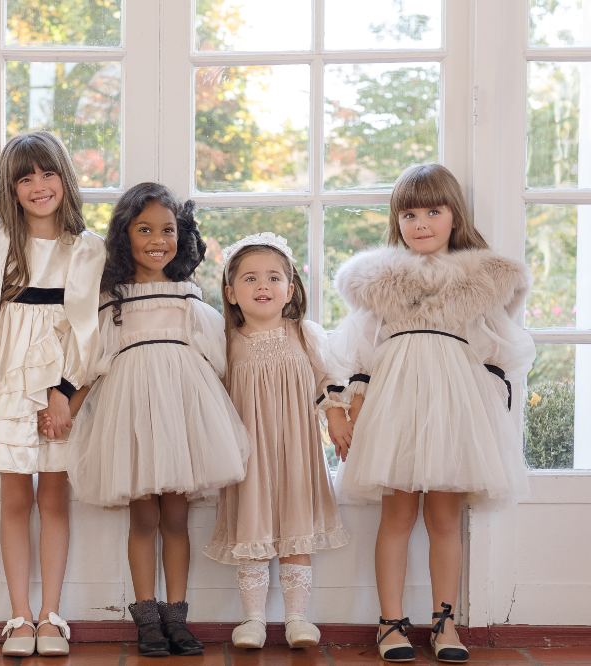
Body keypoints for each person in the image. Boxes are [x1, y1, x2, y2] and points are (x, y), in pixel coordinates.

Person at [331, 164, 534, 663]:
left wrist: (486, 413)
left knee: (445, 515)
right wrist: (350, 406)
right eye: (409, 213)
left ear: (453, 216)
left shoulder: (479, 280)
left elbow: (495, 348)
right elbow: (360, 350)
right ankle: (390, 623)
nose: (421, 223)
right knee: (396, 514)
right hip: (394, 404)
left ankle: (446, 623)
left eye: (433, 211)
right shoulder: (380, 281)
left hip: (454, 403)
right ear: (397, 220)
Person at [67, 182, 249, 657]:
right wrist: (66, 404)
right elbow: (95, 358)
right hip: (131, 414)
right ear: (124, 236)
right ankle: (146, 617)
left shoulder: (189, 296)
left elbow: (217, 357)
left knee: (176, 516)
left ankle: (177, 614)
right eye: (144, 229)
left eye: (167, 230)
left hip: (185, 412)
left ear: (181, 235)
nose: (156, 239)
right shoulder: (115, 298)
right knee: (143, 516)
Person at [0, 131, 106, 657]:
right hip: (6, 378)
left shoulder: (85, 247)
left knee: (55, 496)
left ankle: (51, 615)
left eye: (47, 173)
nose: (39, 186)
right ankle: (18, 615)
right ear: (10, 188)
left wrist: (63, 393)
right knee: (15, 496)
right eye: (25, 178)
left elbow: (86, 328)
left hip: (59, 383)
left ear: (65, 178)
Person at [204, 232, 350, 650]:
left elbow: (329, 379)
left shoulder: (305, 334)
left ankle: (296, 617)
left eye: (273, 277)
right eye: (249, 279)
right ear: (231, 293)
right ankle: (252, 619)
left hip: (297, 451)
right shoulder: (225, 343)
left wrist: (336, 415)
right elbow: (209, 395)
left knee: (295, 526)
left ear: (290, 288)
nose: (262, 286)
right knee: (252, 526)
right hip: (248, 453)